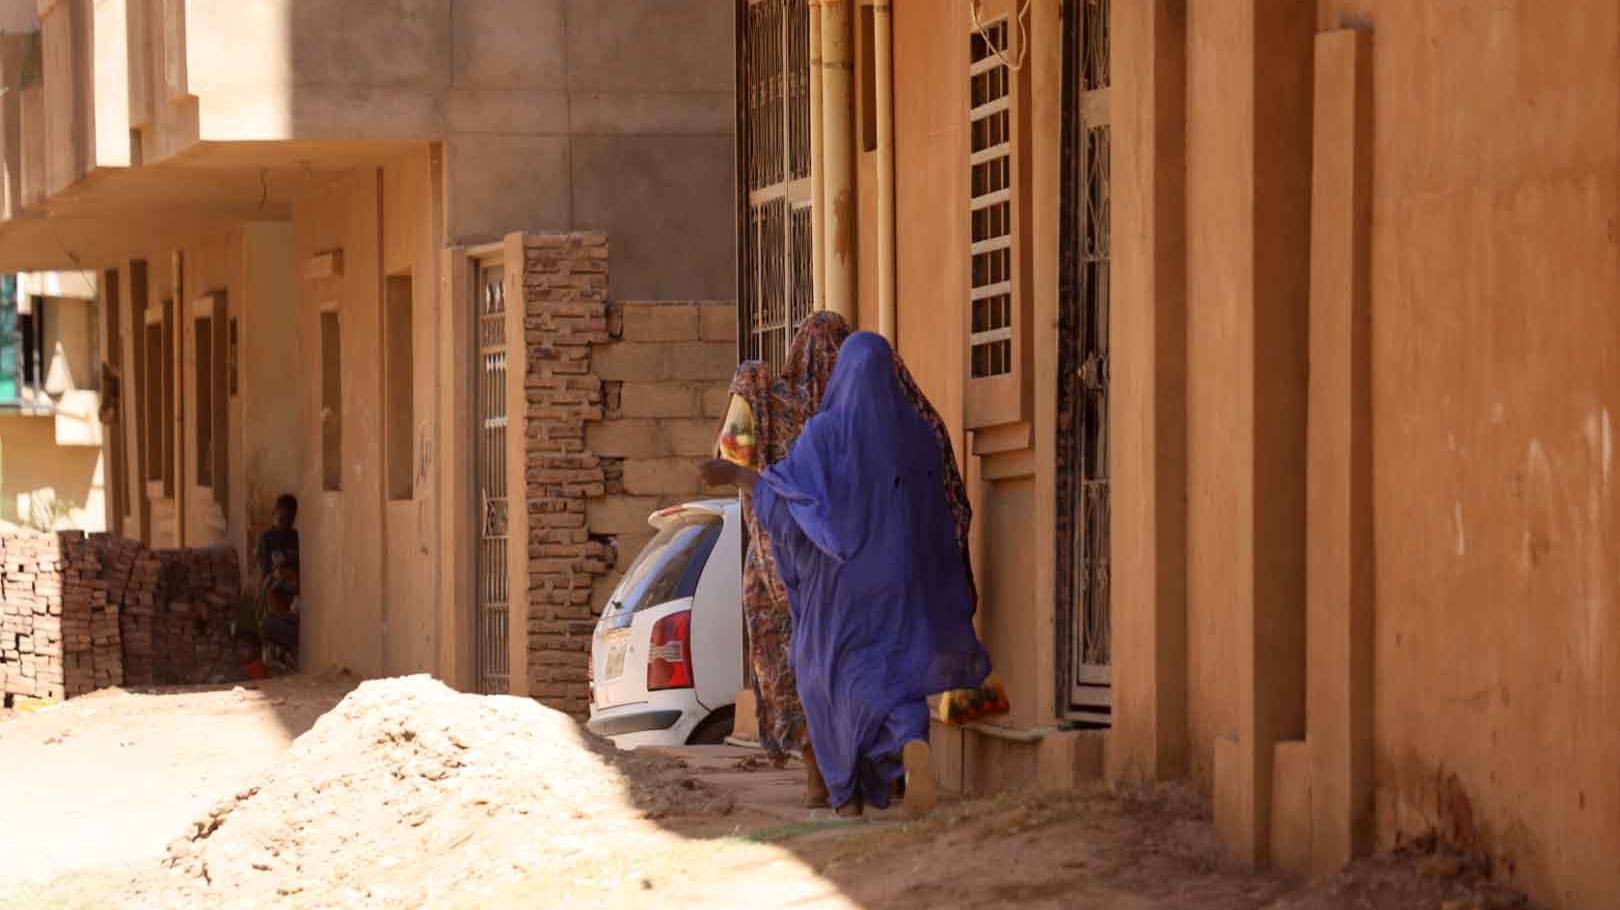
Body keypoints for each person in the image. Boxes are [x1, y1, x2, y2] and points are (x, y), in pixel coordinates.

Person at [702, 332, 990, 818]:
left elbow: (787, 498)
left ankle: (843, 792)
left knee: (827, 675)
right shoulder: (917, 436)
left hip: (840, 582)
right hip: (902, 578)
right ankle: (909, 741)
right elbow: (940, 509)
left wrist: (734, 476)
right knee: (898, 676)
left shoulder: (826, 432)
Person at [718, 311, 852, 808]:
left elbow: (732, 455)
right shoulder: (850, 411)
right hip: (833, 564)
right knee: (832, 665)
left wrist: (747, 386)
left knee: (790, 664)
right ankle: (846, 771)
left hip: (773, 561)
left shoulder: (770, 397)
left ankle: (817, 770)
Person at [256, 494, 300, 656]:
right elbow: (265, 568)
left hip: (293, 585)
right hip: (275, 583)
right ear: (274, 513)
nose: (283, 522)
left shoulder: (295, 538)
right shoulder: (266, 539)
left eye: (288, 518)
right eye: (281, 517)